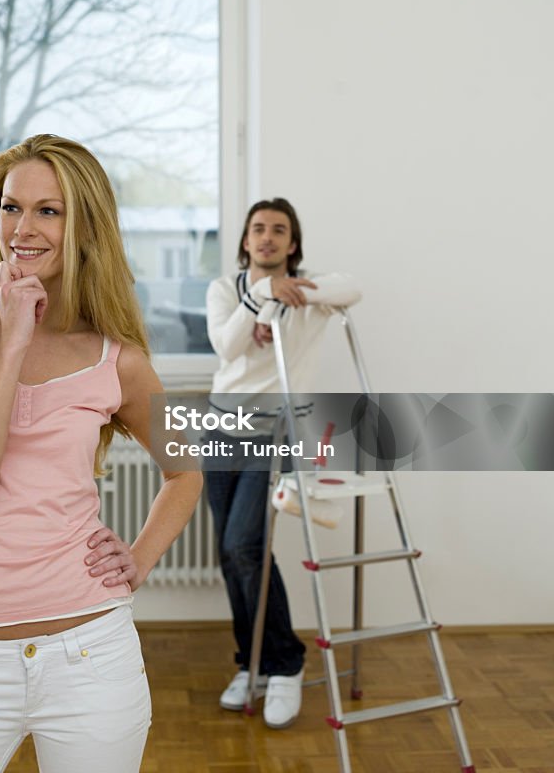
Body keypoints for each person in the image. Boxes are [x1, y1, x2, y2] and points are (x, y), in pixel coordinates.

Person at [0, 134, 202, 773]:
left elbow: (186, 468)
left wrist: (138, 561)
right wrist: (14, 340)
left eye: (47, 210)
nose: (21, 229)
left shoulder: (120, 359)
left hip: (92, 656)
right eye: (9, 207)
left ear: (84, 226)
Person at [205, 197, 360, 729]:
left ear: (292, 244)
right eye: (258, 229)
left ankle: (285, 663)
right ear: (245, 241)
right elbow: (226, 349)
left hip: (278, 432)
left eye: (278, 230)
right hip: (222, 431)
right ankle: (252, 664)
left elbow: (353, 288)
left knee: (244, 546)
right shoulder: (226, 290)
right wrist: (264, 295)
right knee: (231, 556)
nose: (267, 237)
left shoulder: (310, 292)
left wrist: (288, 291)